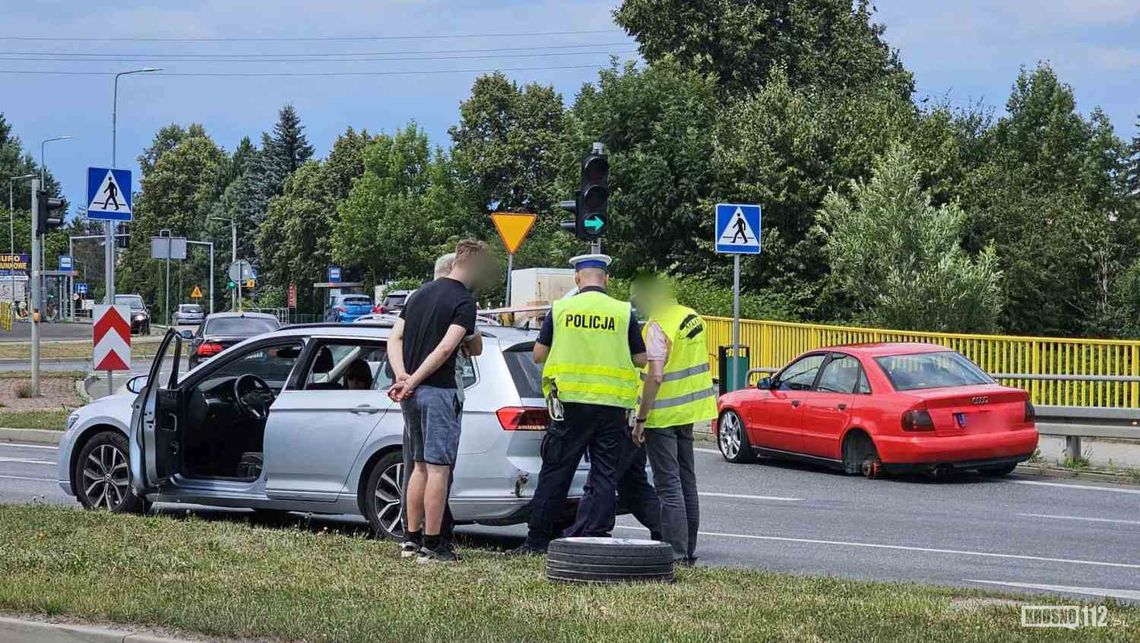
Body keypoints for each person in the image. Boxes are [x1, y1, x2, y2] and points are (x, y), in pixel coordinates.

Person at [511, 254, 649, 554]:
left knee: (556, 472)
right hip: (612, 406)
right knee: (604, 473)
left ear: (577, 278)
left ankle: (537, 541)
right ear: (607, 279)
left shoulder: (561, 309)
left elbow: (538, 354)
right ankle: (596, 535)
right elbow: (641, 358)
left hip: (570, 405)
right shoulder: (623, 312)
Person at [387, 239, 490, 563]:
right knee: (438, 470)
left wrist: (403, 376)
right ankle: (433, 545)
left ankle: (410, 539)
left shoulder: (418, 295)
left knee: (417, 466)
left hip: (412, 394)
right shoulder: (464, 301)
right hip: (439, 391)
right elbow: (447, 349)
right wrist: (415, 380)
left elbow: (395, 338)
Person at [630, 275, 718, 565]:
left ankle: (675, 553)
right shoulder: (691, 317)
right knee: (686, 481)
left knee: (668, 485)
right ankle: (688, 548)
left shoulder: (658, 324)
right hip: (689, 410)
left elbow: (655, 374)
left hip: (663, 412)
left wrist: (641, 417)